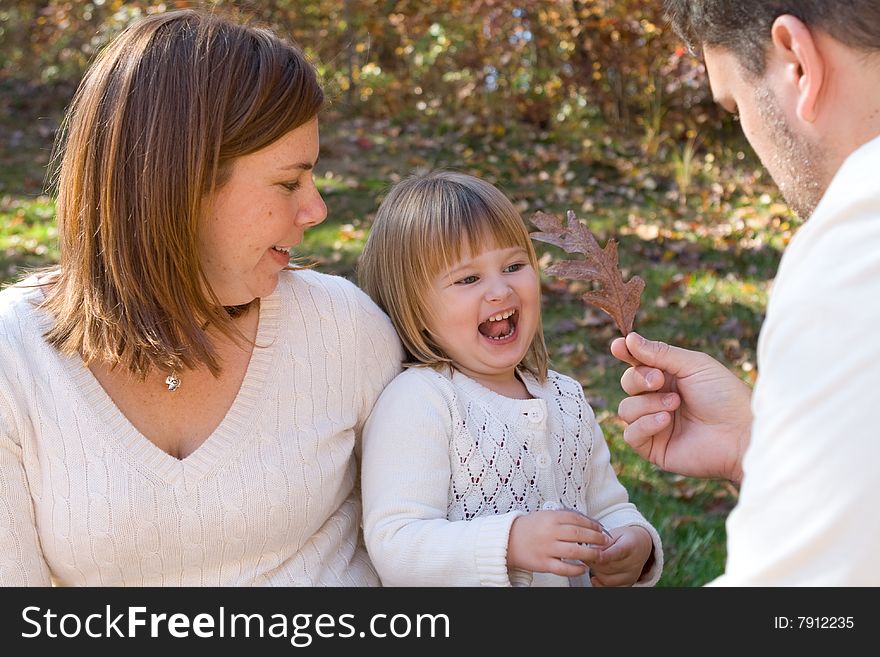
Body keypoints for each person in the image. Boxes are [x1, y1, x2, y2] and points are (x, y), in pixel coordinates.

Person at [0, 8, 403, 586]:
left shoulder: (344, 330)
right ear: (180, 184)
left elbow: (442, 534)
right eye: (289, 182)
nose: (316, 210)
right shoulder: (14, 359)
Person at [611, 0, 880, 585]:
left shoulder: (858, 246)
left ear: (797, 61)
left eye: (736, 106)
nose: (750, 138)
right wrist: (760, 446)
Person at [357, 171, 663, 587]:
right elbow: (398, 546)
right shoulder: (421, 401)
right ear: (414, 308)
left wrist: (634, 542)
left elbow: (607, 506)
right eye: (468, 279)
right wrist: (510, 542)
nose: (500, 290)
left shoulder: (565, 397)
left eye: (514, 265)